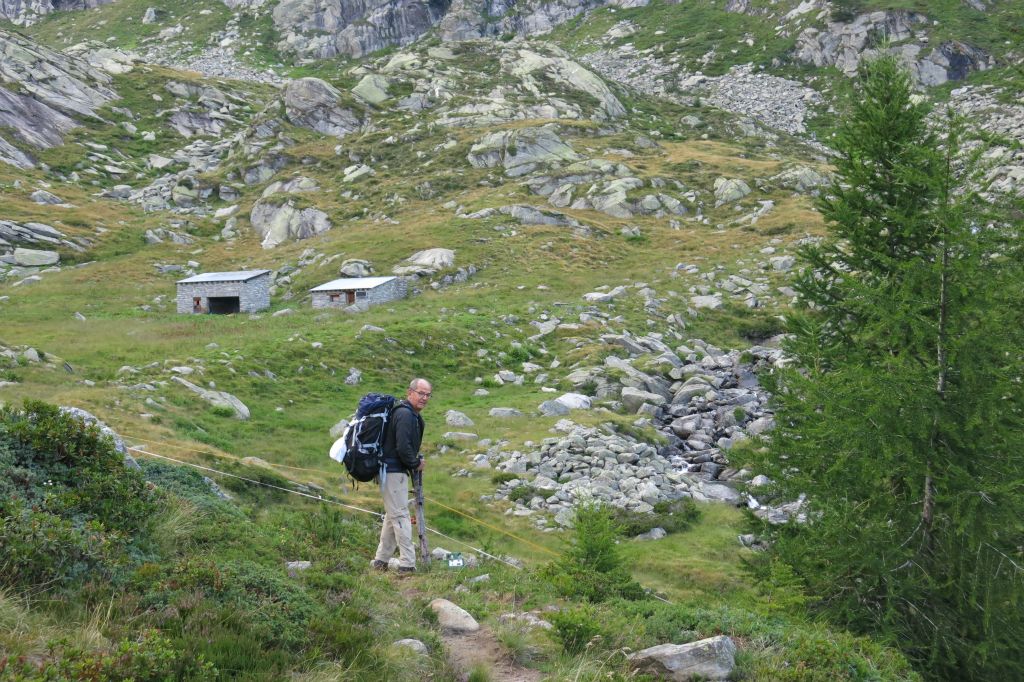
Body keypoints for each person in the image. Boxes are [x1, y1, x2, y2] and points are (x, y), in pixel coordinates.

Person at [371, 378, 431, 574]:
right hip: (393, 471)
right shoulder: (405, 415)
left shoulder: (405, 413)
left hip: (392, 471)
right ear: (410, 392)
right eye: (421, 393)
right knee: (401, 516)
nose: (424, 398)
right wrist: (416, 464)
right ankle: (407, 564)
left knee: (392, 515)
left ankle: (381, 561)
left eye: (427, 395)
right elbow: (403, 448)